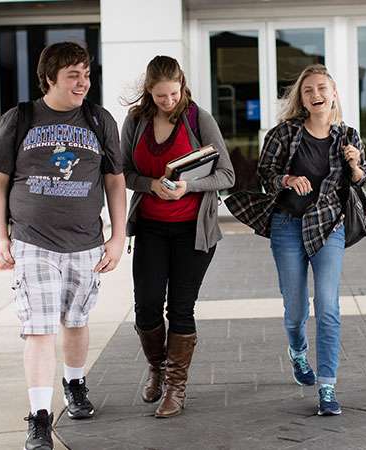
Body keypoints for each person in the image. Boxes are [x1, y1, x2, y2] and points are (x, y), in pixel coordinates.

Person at [0, 42, 126, 450]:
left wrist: (117, 237)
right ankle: (40, 417)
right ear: (49, 78)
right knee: (39, 328)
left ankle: (75, 384)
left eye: (86, 74)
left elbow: (114, 181)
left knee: (76, 321)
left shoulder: (100, 120)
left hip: (85, 242)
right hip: (33, 241)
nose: (83, 82)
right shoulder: (21, 118)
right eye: (73, 75)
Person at [227, 64, 366, 416]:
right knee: (296, 310)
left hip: (328, 227)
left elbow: (361, 180)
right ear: (301, 99)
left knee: (328, 306)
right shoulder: (284, 133)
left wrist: (354, 166)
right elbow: (265, 175)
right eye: (309, 90)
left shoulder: (348, 136)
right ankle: (298, 351)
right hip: (287, 226)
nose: (317, 95)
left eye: (323, 88)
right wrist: (287, 180)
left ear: (334, 92)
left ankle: (327, 387)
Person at [121, 55, 234, 418]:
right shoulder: (136, 121)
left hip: (193, 232)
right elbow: (124, 172)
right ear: (148, 92)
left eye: (173, 94)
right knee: (147, 307)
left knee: (181, 308)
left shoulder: (198, 118)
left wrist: (189, 187)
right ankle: (156, 367)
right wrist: (150, 183)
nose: (168, 102)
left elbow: (227, 175)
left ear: (182, 85)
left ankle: (175, 388)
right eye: (160, 96)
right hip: (151, 228)